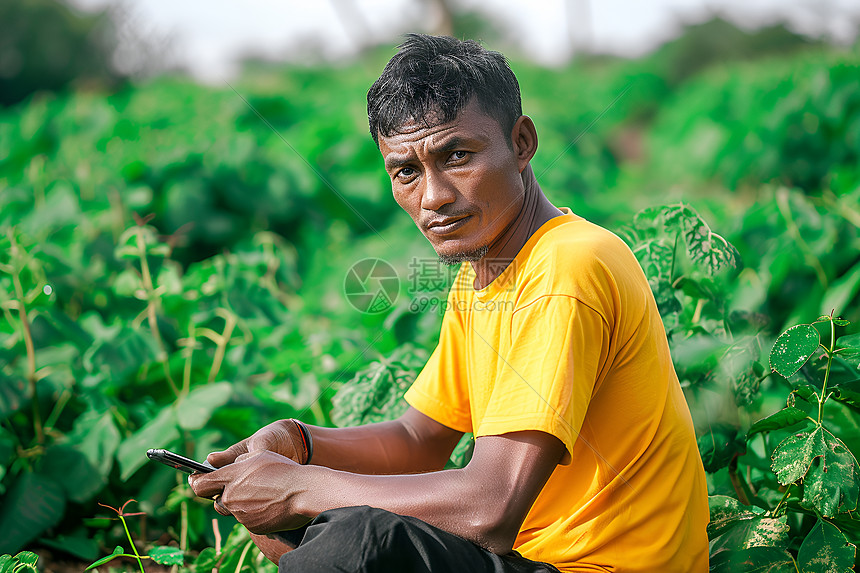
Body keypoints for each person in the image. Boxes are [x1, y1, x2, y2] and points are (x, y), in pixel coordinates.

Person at [189, 34, 709, 572]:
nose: (433, 196)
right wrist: (297, 445)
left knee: (357, 541)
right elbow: (419, 439)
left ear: (522, 142)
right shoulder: (486, 271)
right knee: (317, 521)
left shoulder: (566, 266)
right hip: (537, 560)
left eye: (456, 155)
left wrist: (300, 489)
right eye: (405, 171)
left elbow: (492, 508)